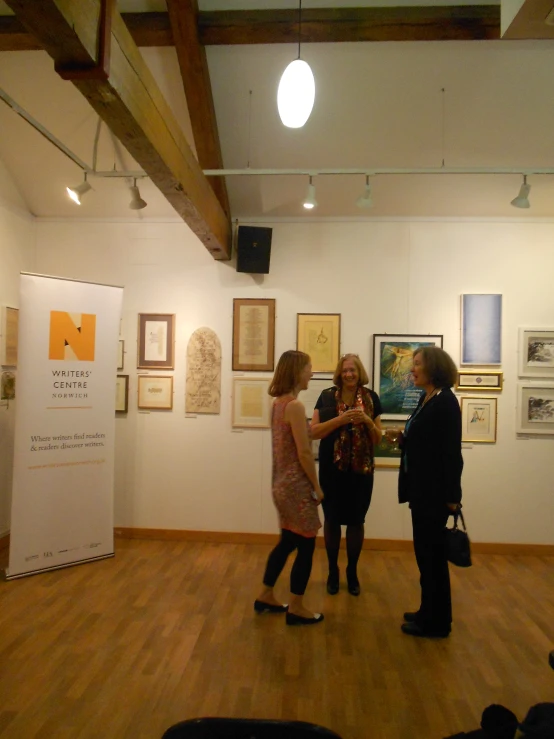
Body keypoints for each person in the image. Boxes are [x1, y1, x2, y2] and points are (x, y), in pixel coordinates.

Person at [254, 350, 325, 626]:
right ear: (297, 371)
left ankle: (266, 595)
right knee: (306, 546)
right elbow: (304, 453)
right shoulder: (294, 406)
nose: (311, 372)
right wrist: (317, 487)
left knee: (287, 542)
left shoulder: (278, 404)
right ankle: (296, 607)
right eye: (309, 367)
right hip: (296, 487)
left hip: (280, 484)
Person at [398, 346, 463, 638]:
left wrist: (453, 496)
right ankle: (428, 611)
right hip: (421, 490)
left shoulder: (446, 402)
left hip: (435, 494)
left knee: (433, 558)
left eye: (417, 364)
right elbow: (424, 441)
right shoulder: (429, 398)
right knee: (425, 557)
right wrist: (403, 439)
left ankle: (437, 623)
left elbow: (451, 453)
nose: (412, 369)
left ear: (433, 368)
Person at [310, 354, 382, 596]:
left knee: (356, 521)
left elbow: (379, 439)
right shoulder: (327, 396)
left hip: (361, 472)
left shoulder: (372, 399)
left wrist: (367, 422)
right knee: (331, 520)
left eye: (353, 370)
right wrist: (340, 420)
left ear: (360, 372)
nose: (349, 374)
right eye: (345, 371)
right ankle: (332, 571)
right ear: (339, 374)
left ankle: (352, 572)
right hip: (332, 471)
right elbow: (314, 432)